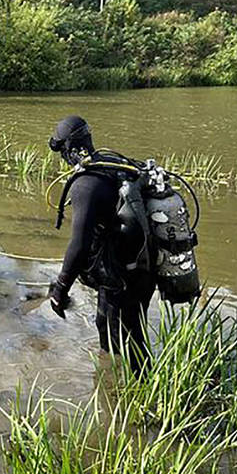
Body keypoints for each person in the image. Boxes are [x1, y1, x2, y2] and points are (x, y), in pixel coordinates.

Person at [46, 116, 155, 358]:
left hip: (125, 276)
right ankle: (109, 383)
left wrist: (61, 288)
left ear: (68, 150)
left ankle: (144, 390)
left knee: (129, 344)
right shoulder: (113, 163)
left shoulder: (85, 184)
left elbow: (79, 244)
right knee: (104, 324)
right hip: (137, 269)